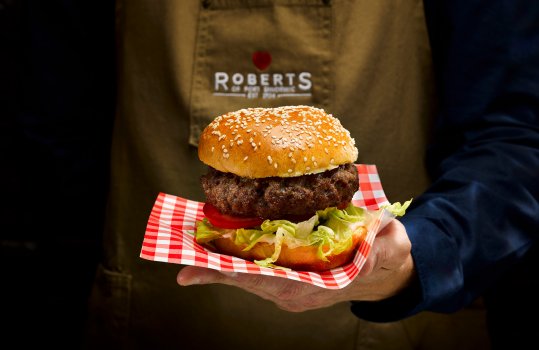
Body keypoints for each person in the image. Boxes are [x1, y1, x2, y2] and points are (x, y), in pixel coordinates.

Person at [84, 1, 539, 349]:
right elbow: (52, 132)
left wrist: (427, 248)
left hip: (402, 329)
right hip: (149, 319)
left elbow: (515, 135)